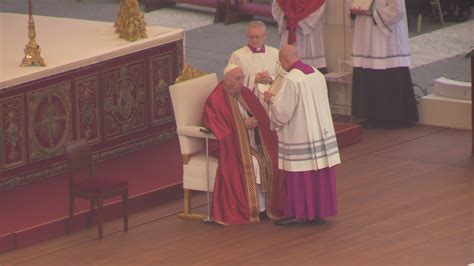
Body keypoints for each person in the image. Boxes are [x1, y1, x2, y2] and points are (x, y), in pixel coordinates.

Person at [263, 45, 340, 226]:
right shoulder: (316, 73)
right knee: (317, 171)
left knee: (299, 174)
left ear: (285, 61)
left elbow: (283, 113)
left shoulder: (291, 80)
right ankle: (318, 212)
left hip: (300, 134)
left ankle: (298, 213)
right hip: (319, 132)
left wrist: (270, 101)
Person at [202, 64, 284, 225]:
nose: (241, 82)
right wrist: (243, 125)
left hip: (252, 141)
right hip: (231, 146)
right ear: (226, 80)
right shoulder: (216, 99)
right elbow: (219, 128)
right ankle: (255, 209)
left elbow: (261, 116)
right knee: (253, 163)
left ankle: (267, 207)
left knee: (271, 159)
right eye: (237, 79)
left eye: (242, 78)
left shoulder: (244, 92)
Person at [350, 0, 418, 127]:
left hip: (386, 37)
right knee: (367, 68)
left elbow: (397, 9)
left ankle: (393, 117)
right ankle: (371, 115)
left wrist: (373, 14)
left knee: (388, 70)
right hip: (364, 31)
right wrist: (354, 9)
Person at [272, 0, 328, 73]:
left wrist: (293, 21)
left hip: (308, 38)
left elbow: (316, 13)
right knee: (286, 71)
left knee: (312, 75)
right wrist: (289, 20)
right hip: (288, 35)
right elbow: (277, 8)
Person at [228, 20, 281, 95]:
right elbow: (231, 80)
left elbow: (283, 76)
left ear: (264, 35)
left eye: (257, 37)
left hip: (271, 96)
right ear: (247, 36)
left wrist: (271, 78)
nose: (254, 40)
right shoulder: (237, 56)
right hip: (248, 97)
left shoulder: (275, 53)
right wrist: (253, 79)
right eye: (251, 37)